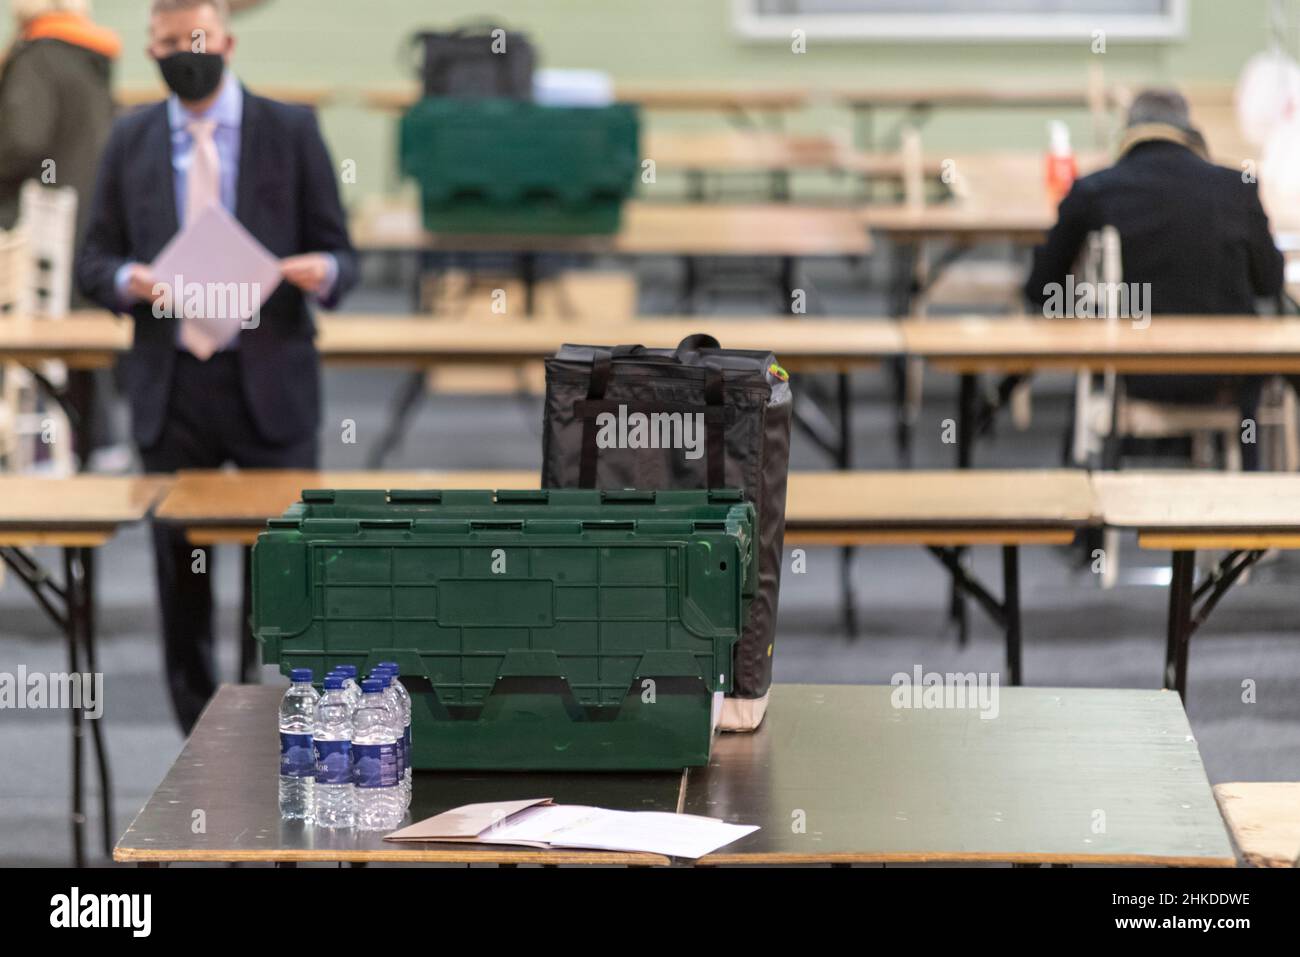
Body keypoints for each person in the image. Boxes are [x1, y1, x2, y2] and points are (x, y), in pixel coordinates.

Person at [75, 0, 358, 733]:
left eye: (194, 39)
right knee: (180, 577)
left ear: (227, 40)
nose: (182, 53)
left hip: (269, 382)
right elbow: (92, 261)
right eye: (167, 43)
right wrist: (128, 281)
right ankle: (197, 736)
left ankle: (297, 729)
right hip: (174, 387)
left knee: (292, 572)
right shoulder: (130, 136)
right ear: (150, 50)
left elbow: (345, 256)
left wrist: (316, 269)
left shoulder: (290, 130)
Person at [1026, 89, 1285, 468]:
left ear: (1129, 130)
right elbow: (1270, 283)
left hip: (1133, 375)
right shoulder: (1237, 187)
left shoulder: (1094, 190)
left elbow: (1041, 288)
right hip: (1225, 379)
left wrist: (1088, 301)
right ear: (1189, 129)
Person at [0, 0, 118, 243]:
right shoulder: (89, 56)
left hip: (38, 216)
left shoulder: (37, 58)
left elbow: (24, 140)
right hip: (84, 204)